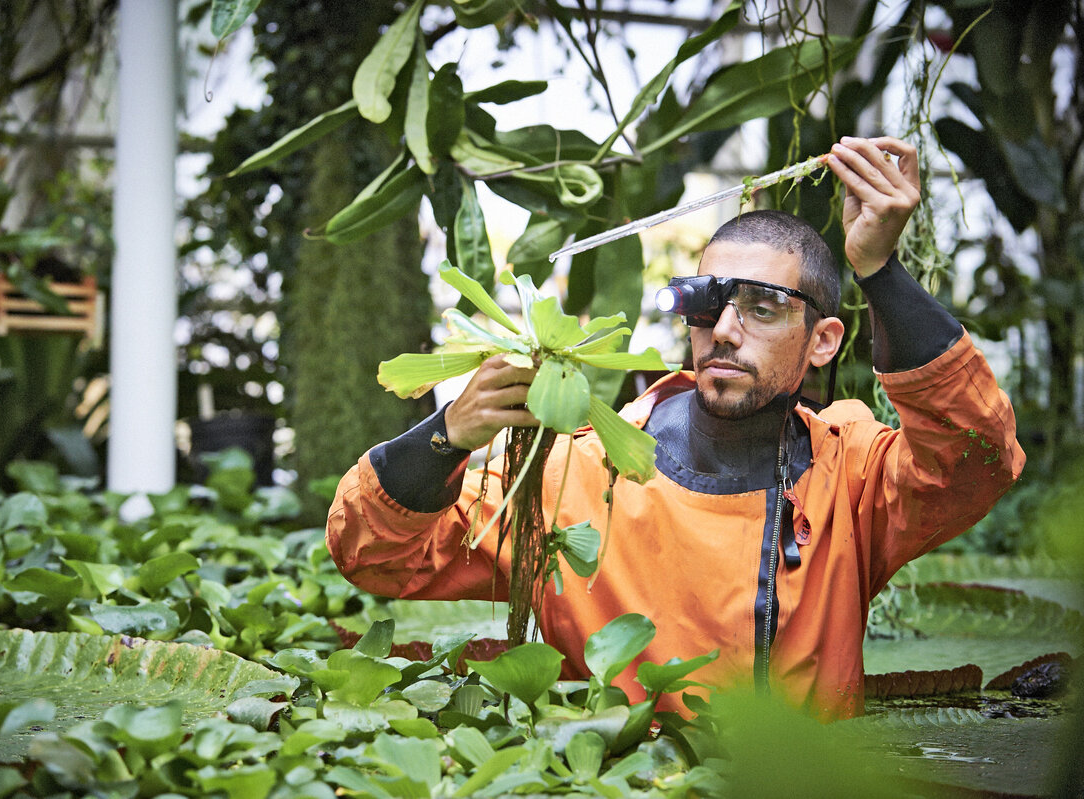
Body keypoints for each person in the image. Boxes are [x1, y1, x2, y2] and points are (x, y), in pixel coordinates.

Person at [325, 137, 1025, 720]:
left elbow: (975, 457)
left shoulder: (851, 475)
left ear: (823, 341)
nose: (724, 330)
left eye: (763, 307)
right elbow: (374, 552)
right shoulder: (575, 475)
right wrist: (448, 432)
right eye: (706, 303)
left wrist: (878, 267)